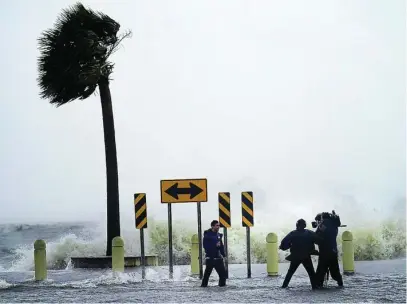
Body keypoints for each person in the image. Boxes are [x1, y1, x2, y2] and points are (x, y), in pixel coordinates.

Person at [279, 219, 321, 289]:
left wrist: (284, 247)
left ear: (297, 225)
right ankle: (314, 287)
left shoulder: (292, 233)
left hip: (295, 256)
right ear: (304, 225)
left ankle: (284, 286)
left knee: (290, 272)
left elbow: (284, 243)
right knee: (311, 273)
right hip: (306, 256)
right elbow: (319, 240)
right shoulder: (309, 232)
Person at [314, 211, 344, 288]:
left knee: (320, 271)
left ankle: (319, 286)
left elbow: (316, 235)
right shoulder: (334, 224)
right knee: (335, 271)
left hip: (325, 251)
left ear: (322, 218)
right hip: (333, 250)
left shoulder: (324, 223)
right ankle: (340, 284)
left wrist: (318, 226)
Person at [201, 220, 227, 287]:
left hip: (218, 258)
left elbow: (221, 246)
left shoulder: (218, 235)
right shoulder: (207, 236)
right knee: (206, 276)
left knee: (223, 275)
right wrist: (215, 245)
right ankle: (204, 288)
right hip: (210, 259)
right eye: (217, 225)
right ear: (212, 226)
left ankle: (222, 287)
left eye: (219, 225)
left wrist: (224, 255)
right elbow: (206, 247)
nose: (218, 227)